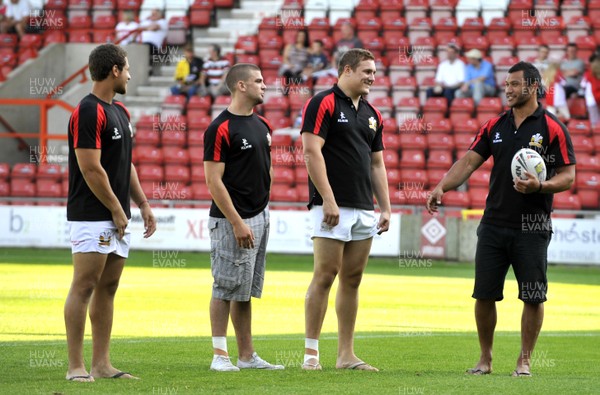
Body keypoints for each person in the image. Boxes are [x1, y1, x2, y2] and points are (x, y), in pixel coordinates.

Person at [426, 61, 576, 377]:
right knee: (484, 294)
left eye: (514, 84)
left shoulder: (551, 127)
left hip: (532, 226)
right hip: (493, 222)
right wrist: (442, 186)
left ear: (533, 86)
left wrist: (541, 186)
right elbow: (468, 162)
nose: (507, 89)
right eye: (506, 84)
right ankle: (485, 359)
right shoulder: (495, 125)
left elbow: (568, 176)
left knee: (533, 296)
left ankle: (524, 361)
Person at [64, 43, 157, 382]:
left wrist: (143, 204)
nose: (131, 74)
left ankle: (102, 365)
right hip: (92, 214)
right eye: (128, 68)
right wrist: (118, 210)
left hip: (118, 215)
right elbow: (90, 168)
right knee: (85, 285)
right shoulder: (88, 111)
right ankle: (76, 366)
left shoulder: (121, 112)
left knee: (108, 287)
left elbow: (124, 164)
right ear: (114, 70)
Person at [300, 48, 391, 371]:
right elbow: (311, 152)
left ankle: (345, 355)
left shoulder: (373, 114)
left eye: (374, 72)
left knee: (352, 279)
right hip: (331, 207)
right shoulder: (322, 102)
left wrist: (386, 208)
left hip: (364, 208)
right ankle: (311, 354)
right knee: (325, 275)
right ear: (347, 70)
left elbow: (377, 164)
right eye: (367, 71)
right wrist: (328, 198)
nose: (372, 77)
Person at [203, 63, 283, 372]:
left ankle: (247, 356)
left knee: (245, 289)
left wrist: (262, 207)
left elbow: (267, 169)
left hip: (260, 216)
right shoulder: (220, 128)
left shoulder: (263, 125)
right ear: (240, 86)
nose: (264, 85)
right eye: (258, 81)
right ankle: (219, 356)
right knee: (224, 286)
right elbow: (213, 181)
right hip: (230, 220)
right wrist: (236, 221)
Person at [580, 55, 600, 127]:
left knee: (594, 121)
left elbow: (582, 85)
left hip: (591, 100)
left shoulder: (588, 74)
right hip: (597, 98)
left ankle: (596, 135)